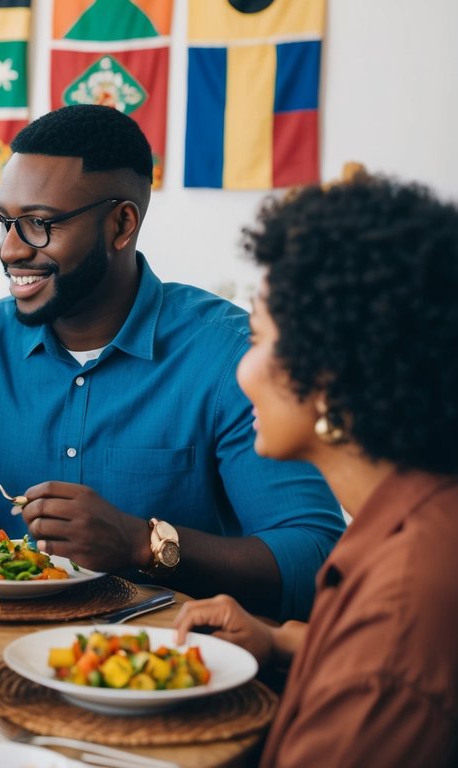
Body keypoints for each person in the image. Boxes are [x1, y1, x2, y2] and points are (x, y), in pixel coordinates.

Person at [0, 105, 345, 621]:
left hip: (172, 666)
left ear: (121, 224)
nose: (9, 249)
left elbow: (316, 560)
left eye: (39, 224)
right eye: (3, 222)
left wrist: (145, 543)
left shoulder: (229, 356)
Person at [173, 173, 458, 766]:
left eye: (257, 340)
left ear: (326, 375)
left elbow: (381, 669)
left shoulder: (400, 608)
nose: (241, 372)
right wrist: (276, 640)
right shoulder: (423, 515)